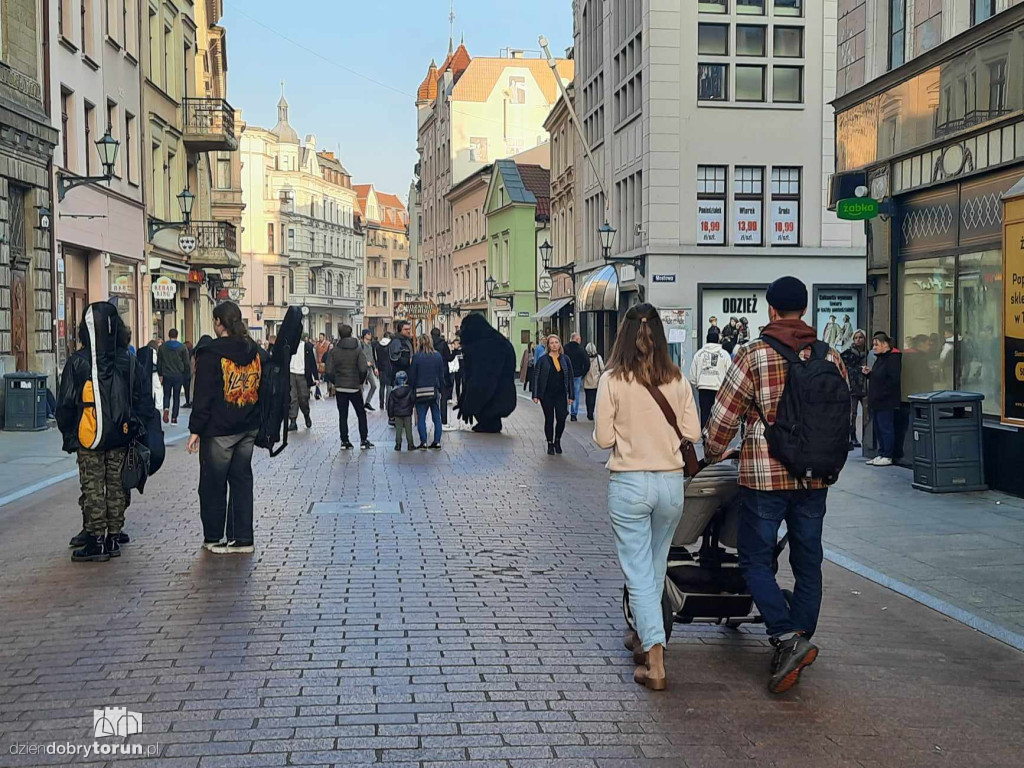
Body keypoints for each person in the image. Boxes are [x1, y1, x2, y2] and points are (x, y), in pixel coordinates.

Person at [703, 276, 848, 694]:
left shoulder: (753, 355)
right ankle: (798, 643)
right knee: (808, 564)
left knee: (754, 561)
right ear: (804, 310)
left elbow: (723, 420)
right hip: (815, 477)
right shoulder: (831, 356)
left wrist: (711, 456)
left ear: (770, 310)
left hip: (765, 478)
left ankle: (787, 639)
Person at [593, 303, 700, 692]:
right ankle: (643, 640)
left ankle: (655, 660)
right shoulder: (679, 380)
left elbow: (603, 439)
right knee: (654, 568)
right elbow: (692, 431)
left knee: (637, 571)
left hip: (630, 483)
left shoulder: (612, 380)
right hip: (671, 484)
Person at [56, 302, 146, 562]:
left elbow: (65, 404)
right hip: (121, 431)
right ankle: (114, 536)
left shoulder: (78, 362)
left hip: (90, 433)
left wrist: (70, 433)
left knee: (94, 485)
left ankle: (96, 539)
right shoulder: (127, 359)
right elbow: (139, 397)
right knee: (117, 484)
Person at [186, 301, 263, 555]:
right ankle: (242, 538)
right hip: (248, 425)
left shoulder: (211, 353)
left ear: (219, 322)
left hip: (219, 428)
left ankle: (214, 537)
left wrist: (196, 429)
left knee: (213, 484)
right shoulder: (254, 350)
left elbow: (204, 394)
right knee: (242, 480)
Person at [455, 313, 517, 433]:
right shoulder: (499, 342)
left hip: (494, 399)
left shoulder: (483, 346)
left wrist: (469, 403)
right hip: (503, 397)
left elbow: (482, 381)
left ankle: (488, 420)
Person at [324, 324, 372, 450]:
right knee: (361, 414)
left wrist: (336, 381)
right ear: (351, 334)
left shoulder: (334, 351)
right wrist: (359, 381)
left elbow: (328, 371)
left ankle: (344, 441)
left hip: (340, 387)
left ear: (339, 334)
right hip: (355, 387)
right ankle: (363, 440)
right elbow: (363, 368)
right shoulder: (357, 349)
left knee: (343, 415)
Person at [863, 331, 902, 467]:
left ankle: (888, 455)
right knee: (878, 428)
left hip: (886, 400)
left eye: (876, 344)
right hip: (877, 400)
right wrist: (870, 374)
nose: (874, 347)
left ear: (885, 344)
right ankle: (881, 453)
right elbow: (878, 377)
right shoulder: (880, 358)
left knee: (886, 428)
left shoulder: (893, 358)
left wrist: (882, 393)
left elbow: (892, 381)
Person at [533, 335, 574, 454]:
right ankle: (550, 443)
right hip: (547, 394)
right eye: (552, 343)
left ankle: (558, 440)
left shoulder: (565, 359)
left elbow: (570, 378)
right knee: (549, 419)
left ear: (560, 344)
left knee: (561, 417)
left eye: (556, 342)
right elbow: (536, 376)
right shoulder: (543, 360)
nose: (554, 345)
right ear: (548, 345)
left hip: (561, 394)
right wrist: (535, 394)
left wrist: (571, 395)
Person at [689, 330, 733, 429]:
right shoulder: (724, 355)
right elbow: (730, 373)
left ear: (706, 340)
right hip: (719, 389)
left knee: (705, 413)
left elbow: (692, 375)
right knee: (718, 415)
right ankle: (716, 437)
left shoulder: (698, 354)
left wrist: (697, 385)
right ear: (718, 340)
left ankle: (705, 437)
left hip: (703, 388)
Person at [410, 334, 446, 449]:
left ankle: (423, 442)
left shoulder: (416, 357)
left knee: (421, 417)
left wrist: (412, 389)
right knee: (436, 417)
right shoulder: (437, 356)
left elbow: (412, 376)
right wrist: (442, 389)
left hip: (420, 391)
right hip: (433, 391)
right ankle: (437, 441)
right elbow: (441, 375)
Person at [841, 329, 868, 449]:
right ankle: (852, 436)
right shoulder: (847, 353)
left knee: (867, 413)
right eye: (856, 337)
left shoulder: (869, 353)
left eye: (861, 337)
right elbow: (843, 368)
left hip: (866, 386)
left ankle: (867, 438)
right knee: (852, 413)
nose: (858, 340)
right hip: (852, 386)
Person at [157, 328, 190, 425]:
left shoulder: (162, 347)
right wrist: (186, 374)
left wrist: (160, 374)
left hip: (167, 374)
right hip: (178, 375)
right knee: (176, 397)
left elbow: (159, 362)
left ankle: (166, 408)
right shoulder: (182, 347)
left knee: (166, 395)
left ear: (168, 335)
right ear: (177, 335)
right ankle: (174, 418)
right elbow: (186, 363)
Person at [288, 332, 318, 431]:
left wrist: (316, 377)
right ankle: (293, 421)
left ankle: (306, 414)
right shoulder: (288, 346)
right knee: (292, 398)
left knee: (303, 398)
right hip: (291, 373)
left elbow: (312, 362)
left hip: (303, 375)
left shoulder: (307, 347)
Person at [430, 327, 455, 430]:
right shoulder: (443, 344)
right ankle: (443, 421)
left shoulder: (430, 345)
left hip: (431, 373)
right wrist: (454, 351)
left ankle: (431, 421)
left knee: (431, 399)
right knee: (443, 397)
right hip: (443, 373)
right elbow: (449, 358)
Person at [387, 370, 416, 451]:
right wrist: (411, 408)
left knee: (398, 429)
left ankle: (398, 444)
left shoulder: (393, 391)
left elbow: (390, 404)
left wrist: (391, 415)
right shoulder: (409, 389)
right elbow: (412, 400)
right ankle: (410, 444)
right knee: (408, 429)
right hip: (407, 412)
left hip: (397, 413)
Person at [564, 332, 589, 422]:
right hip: (577, 375)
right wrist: (583, 373)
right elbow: (587, 363)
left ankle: (565, 410)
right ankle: (573, 414)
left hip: (566, 374)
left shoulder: (565, 348)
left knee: (566, 392)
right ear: (577, 339)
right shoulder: (581, 349)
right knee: (576, 394)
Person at [582, 342, 605, 421]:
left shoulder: (584, 358)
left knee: (588, 398)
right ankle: (594, 411)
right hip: (596, 381)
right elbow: (602, 368)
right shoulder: (598, 358)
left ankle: (589, 412)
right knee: (595, 397)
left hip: (587, 381)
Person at [359, 329, 379, 411]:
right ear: (364, 335)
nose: (370, 335)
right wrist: (365, 363)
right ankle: (360, 405)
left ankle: (367, 402)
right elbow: (359, 357)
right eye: (368, 334)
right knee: (361, 388)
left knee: (374, 386)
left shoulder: (370, 345)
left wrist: (375, 368)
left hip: (370, 369)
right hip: (363, 369)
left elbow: (372, 357)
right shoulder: (361, 345)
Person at [374, 331, 394, 411]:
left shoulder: (378, 345)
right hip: (389, 367)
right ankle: (388, 404)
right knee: (389, 386)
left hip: (380, 367)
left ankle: (381, 404)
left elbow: (376, 357)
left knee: (381, 386)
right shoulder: (390, 345)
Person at [183, 340, 194, 407]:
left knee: (186, 388)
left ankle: (188, 401)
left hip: (186, 373)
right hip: (190, 374)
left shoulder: (185, 353)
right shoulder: (193, 353)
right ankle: (190, 401)